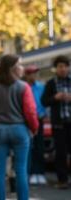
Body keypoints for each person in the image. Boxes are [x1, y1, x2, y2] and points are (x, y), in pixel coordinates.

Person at [0, 54, 38, 200]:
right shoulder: (23, 87)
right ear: (12, 68)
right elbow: (30, 111)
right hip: (19, 129)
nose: (22, 68)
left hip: (0, 129)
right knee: (20, 169)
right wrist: (34, 127)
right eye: (20, 65)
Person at [41, 55, 71, 189]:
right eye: (60, 66)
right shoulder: (51, 83)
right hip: (59, 123)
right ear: (56, 68)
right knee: (60, 152)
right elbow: (44, 101)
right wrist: (55, 97)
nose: (63, 69)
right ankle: (62, 180)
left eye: (65, 66)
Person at [23, 65, 48, 185]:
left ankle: (40, 173)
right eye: (31, 73)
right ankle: (32, 172)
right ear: (27, 75)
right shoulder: (23, 87)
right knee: (29, 147)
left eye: (35, 73)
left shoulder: (41, 87)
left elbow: (43, 102)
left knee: (39, 146)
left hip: (40, 119)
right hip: (27, 121)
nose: (34, 76)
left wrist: (42, 114)